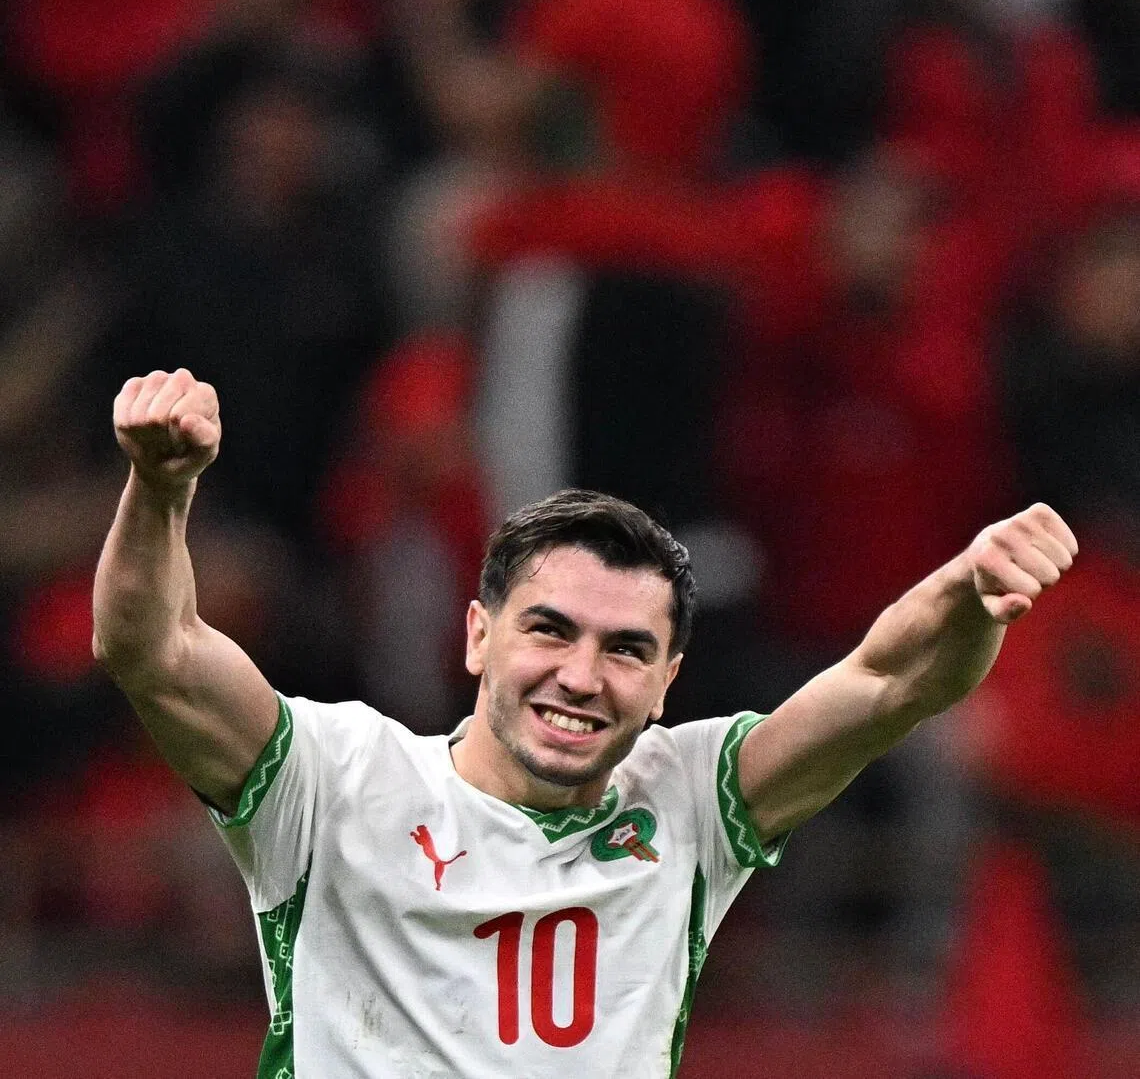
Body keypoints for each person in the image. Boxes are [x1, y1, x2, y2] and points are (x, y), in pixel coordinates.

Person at [92, 367, 1078, 1078]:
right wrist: (161, 488)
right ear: (477, 636)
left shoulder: (690, 798)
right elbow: (155, 653)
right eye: (549, 631)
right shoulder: (336, 777)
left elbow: (891, 683)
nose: (581, 675)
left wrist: (969, 593)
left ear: (665, 683)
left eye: (625, 649)